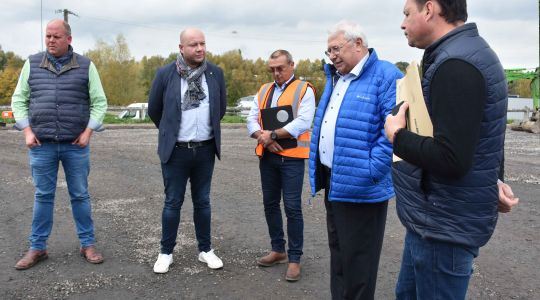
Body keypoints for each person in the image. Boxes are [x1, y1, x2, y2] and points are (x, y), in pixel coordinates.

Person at [384, 0, 519, 298]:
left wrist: (397, 135)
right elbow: (482, 133)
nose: (402, 23)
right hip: (434, 219)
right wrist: (491, 180)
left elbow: (451, 157)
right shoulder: (464, 54)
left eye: (407, 13)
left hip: (442, 226)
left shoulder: (456, 64)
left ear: (430, 9)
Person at [308, 21, 403, 299]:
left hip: (363, 185)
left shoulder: (386, 75)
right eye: (328, 52)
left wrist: (372, 171)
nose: (332, 56)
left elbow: (395, 130)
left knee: (360, 263)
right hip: (335, 181)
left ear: (358, 43)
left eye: (336, 49)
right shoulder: (337, 77)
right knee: (339, 257)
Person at [11, 19, 107, 270]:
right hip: (41, 144)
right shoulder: (31, 64)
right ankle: (37, 247)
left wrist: (88, 132)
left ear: (69, 39)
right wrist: (27, 131)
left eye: (56, 37)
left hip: (76, 145)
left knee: (80, 195)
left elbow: (100, 101)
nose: (51, 40)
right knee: (43, 195)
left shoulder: (86, 66)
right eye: (47, 36)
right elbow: (19, 99)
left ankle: (87, 244)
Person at [148, 28, 226, 274]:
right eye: (194, 44)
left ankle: (205, 250)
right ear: (181, 48)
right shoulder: (165, 74)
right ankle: (166, 252)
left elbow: (220, 108)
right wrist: (171, 132)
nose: (200, 48)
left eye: (203, 43)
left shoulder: (215, 73)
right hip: (176, 151)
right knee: (173, 202)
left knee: (203, 201)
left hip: (204, 150)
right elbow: (154, 109)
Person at [247, 50, 316, 282]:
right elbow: (251, 119)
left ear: (291, 65)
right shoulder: (264, 90)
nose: (276, 73)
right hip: (268, 156)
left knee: (292, 207)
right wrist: (263, 138)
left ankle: (295, 259)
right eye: (272, 69)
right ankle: (278, 250)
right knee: (270, 204)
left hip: (292, 158)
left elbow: (304, 121)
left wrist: (272, 135)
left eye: (280, 68)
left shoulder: (304, 89)